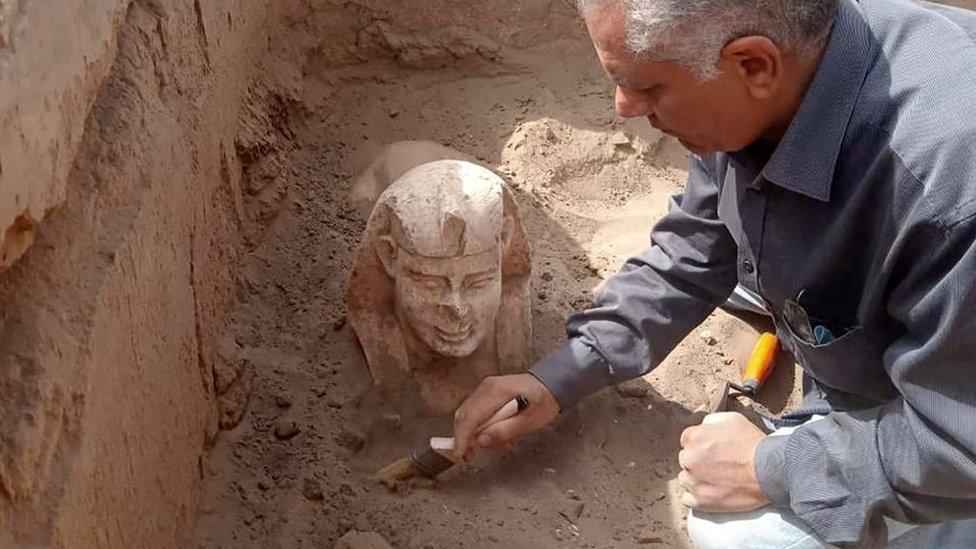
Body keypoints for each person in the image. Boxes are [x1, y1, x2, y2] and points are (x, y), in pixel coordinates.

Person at [450, 0, 976, 547]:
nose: (624, 107)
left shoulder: (948, 194)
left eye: (648, 88)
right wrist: (558, 377)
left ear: (753, 65)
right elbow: (697, 247)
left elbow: (961, 442)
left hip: (956, 423)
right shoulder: (776, 70)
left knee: (739, 533)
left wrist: (770, 466)